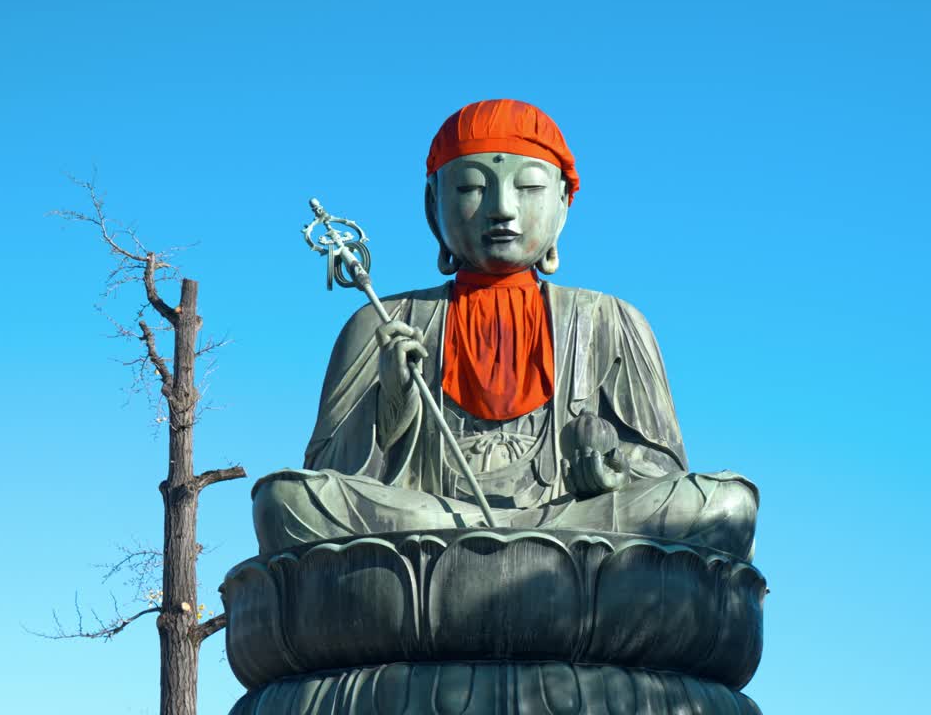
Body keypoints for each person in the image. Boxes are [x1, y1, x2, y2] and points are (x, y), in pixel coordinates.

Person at [253, 99, 758, 559]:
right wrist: (395, 400)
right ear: (434, 207)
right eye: (472, 187)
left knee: (723, 505)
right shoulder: (383, 322)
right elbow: (334, 475)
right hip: (430, 521)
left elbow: (661, 475)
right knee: (288, 501)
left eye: (530, 186)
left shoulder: (612, 321)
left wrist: (611, 466)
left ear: (562, 206)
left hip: (571, 521)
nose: (502, 209)